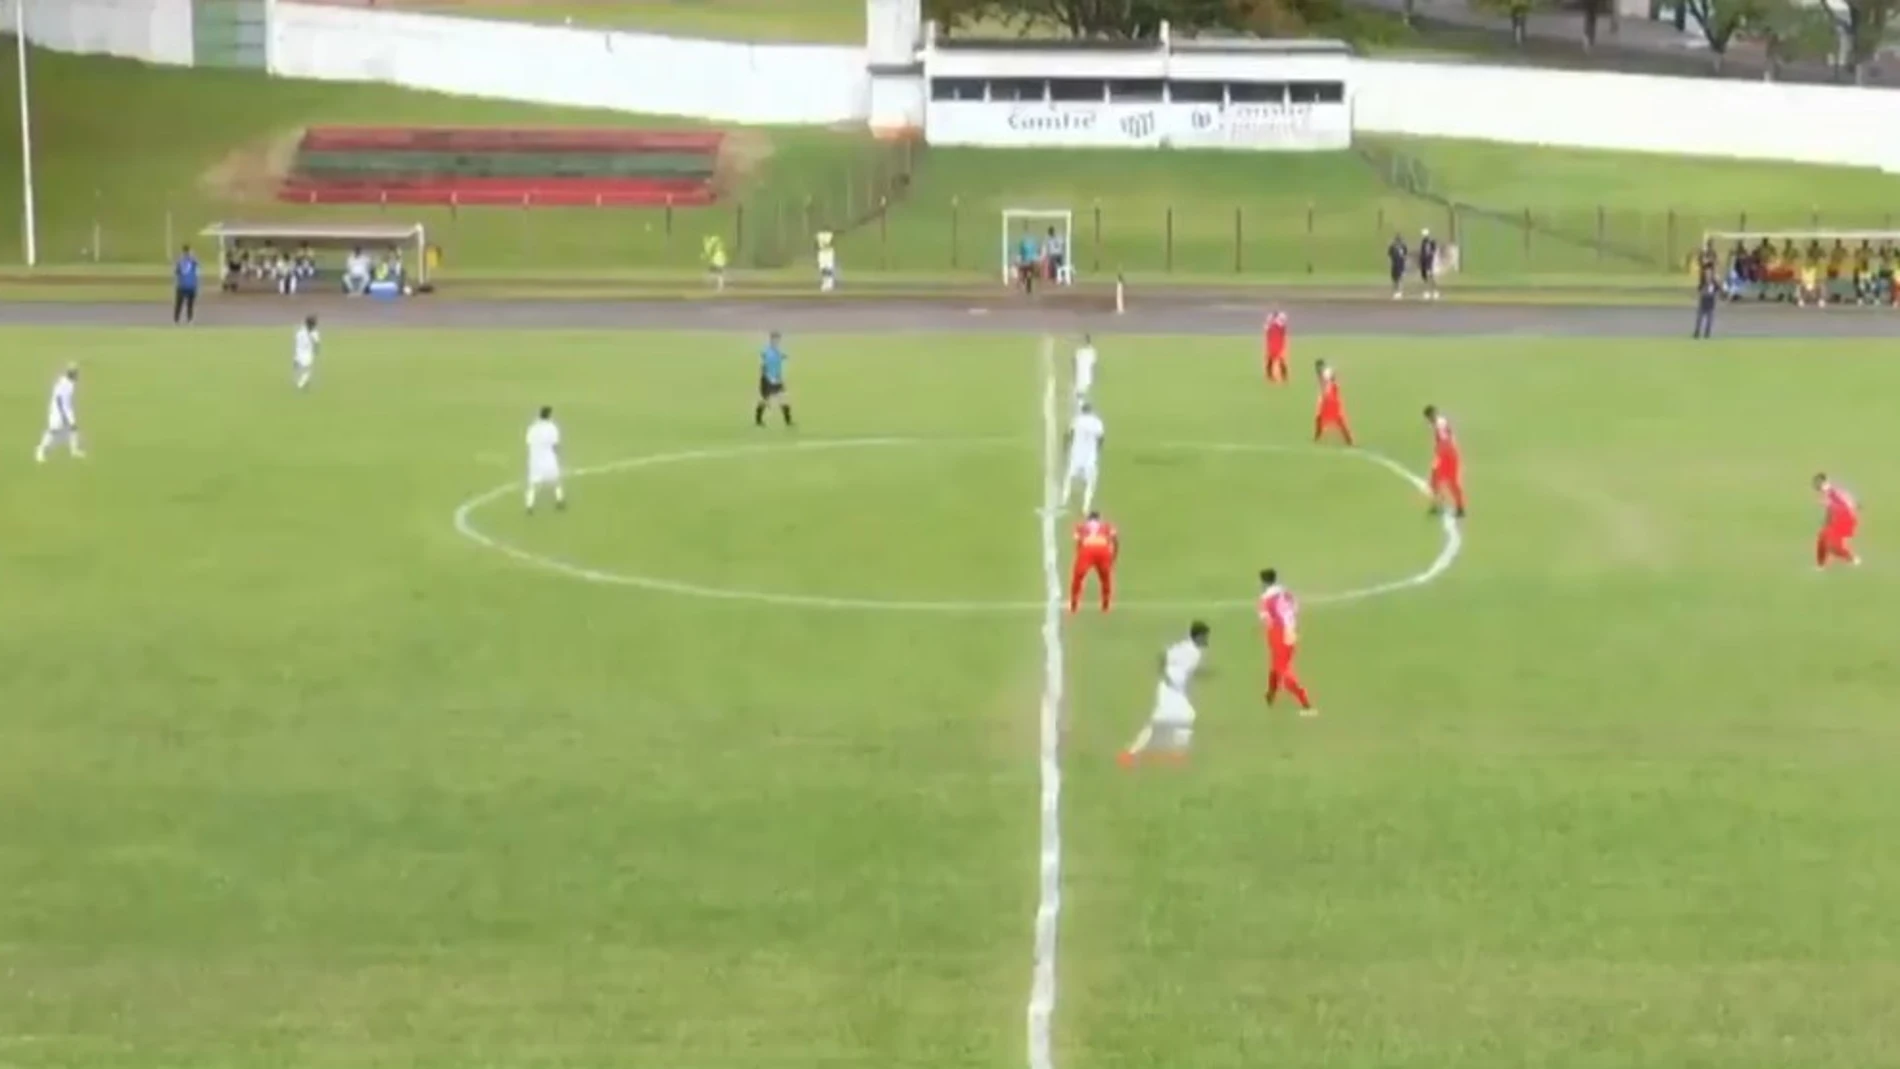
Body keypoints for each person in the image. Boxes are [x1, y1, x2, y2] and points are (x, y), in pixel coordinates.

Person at [1119, 620, 1210, 768]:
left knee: (1186, 717)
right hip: (1169, 691)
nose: (1206, 640)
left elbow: (1184, 668)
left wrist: (1204, 674)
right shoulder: (1188, 650)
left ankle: (1177, 752)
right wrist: (1166, 676)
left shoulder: (1192, 650)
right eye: (1205, 636)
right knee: (1163, 721)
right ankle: (1130, 753)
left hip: (1175, 690)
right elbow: (1163, 657)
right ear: (1198, 636)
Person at [1258, 569, 1316, 716]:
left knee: (1282, 670)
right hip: (1291, 632)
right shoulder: (1286, 593)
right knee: (1276, 665)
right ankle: (1271, 694)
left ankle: (1305, 703)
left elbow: (1267, 620)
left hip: (1278, 635)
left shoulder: (1265, 599)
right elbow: (1295, 608)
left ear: (1263, 582)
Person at [1069, 510, 1118, 614]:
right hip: (1103, 549)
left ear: (1088, 519)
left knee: (1078, 577)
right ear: (1099, 518)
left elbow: (1078, 541)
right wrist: (1113, 556)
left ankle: (1074, 604)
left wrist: (1080, 555)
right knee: (1106, 578)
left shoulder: (1081, 526)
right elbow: (1114, 539)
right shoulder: (1106, 526)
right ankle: (1106, 605)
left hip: (1087, 549)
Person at [1061, 401, 1106, 514]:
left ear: (1082, 411)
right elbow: (1101, 439)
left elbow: (1069, 435)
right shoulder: (1097, 422)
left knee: (1069, 478)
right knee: (1090, 483)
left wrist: (1065, 447)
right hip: (1090, 457)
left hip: (1076, 455)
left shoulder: (1077, 420)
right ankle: (1085, 506)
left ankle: (1064, 499)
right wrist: (1098, 449)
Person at [1424, 404, 1466, 518]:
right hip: (1451, 454)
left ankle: (1441, 505)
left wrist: (1439, 454)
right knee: (1448, 481)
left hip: (1447, 455)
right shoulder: (1442, 422)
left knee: (1438, 480)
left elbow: (1444, 440)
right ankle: (1458, 507)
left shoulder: (1438, 425)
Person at [34, 364, 82, 463]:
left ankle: (74, 450)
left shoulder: (67, 382)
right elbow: (61, 401)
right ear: (72, 374)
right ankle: (40, 450)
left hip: (64, 410)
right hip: (58, 411)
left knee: (73, 429)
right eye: (76, 374)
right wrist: (65, 416)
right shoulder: (66, 385)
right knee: (54, 431)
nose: (77, 376)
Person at [1814, 473, 1861, 568]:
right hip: (1839, 519)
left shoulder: (1831, 492)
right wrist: (1826, 521)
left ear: (1824, 482)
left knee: (1833, 546)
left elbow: (1839, 505)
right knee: (1822, 538)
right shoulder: (1831, 492)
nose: (1817, 485)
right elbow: (1832, 508)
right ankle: (1820, 566)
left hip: (1844, 519)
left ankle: (1853, 559)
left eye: (1818, 482)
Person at [524, 405, 565, 514]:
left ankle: (529, 506)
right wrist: (558, 454)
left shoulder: (532, 428)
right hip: (549, 460)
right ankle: (559, 501)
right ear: (549, 415)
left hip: (535, 460)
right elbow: (555, 445)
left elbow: (528, 443)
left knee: (532, 485)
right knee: (556, 482)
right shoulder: (552, 428)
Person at [755, 331, 793, 428]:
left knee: (783, 399)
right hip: (767, 380)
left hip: (777, 379)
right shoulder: (767, 352)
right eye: (775, 339)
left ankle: (788, 421)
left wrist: (783, 357)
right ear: (771, 340)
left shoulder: (777, 351)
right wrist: (769, 378)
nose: (777, 341)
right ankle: (758, 420)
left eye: (778, 340)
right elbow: (764, 366)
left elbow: (779, 358)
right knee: (765, 401)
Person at [1313, 360, 1353, 445]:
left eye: (1319, 367)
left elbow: (1331, 382)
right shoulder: (1323, 374)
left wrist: (1330, 384)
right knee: (1320, 418)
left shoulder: (1325, 374)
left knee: (1338, 419)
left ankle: (1349, 440)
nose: (1317, 369)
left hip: (1331, 400)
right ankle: (1317, 437)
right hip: (1327, 399)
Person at [173, 245, 200, 324]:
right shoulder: (192, 261)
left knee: (180, 304)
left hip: (184, 286)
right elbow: (197, 265)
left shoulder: (181, 261)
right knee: (189, 304)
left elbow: (177, 272)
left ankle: (177, 320)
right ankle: (188, 319)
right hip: (189, 286)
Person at [293, 315, 319, 392]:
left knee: (305, 370)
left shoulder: (302, 332)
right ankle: (301, 384)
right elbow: (316, 343)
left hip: (304, 353)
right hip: (304, 354)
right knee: (307, 371)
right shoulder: (303, 333)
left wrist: (295, 358)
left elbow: (316, 343)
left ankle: (304, 383)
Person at [1264, 310, 1289, 384]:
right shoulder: (1275, 325)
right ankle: (1272, 375)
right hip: (1274, 344)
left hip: (1276, 344)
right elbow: (1267, 330)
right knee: (1272, 360)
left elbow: (1268, 329)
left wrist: (1271, 320)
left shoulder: (1279, 325)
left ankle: (1280, 375)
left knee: (1275, 360)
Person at [1072, 334, 1097, 407]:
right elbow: (1093, 365)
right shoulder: (1092, 351)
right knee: (1082, 392)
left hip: (1081, 376)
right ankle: (1084, 405)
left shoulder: (1079, 351)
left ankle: (1081, 406)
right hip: (1088, 376)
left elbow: (1074, 363)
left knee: (1079, 393)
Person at [1418, 227, 1440, 301]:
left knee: (1430, 276)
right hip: (1424, 261)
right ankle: (1427, 292)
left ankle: (1434, 291)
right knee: (1425, 277)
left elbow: (1433, 251)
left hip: (1429, 261)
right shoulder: (1423, 242)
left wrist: (1431, 258)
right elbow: (1422, 252)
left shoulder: (1431, 242)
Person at [1387, 233, 1409, 300]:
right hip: (1395, 264)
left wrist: (1404, 263)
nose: (1397, 242)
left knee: (1400, 278)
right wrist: (1390, 261)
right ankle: (1396, 290)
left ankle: (1399, 291)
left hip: (1400, 264)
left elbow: (1405, 255)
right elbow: (1389, 255)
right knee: (1394, 278)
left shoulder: (1403, 246)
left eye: (1398, 240)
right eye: (1397, 240)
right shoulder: (1392, 246)